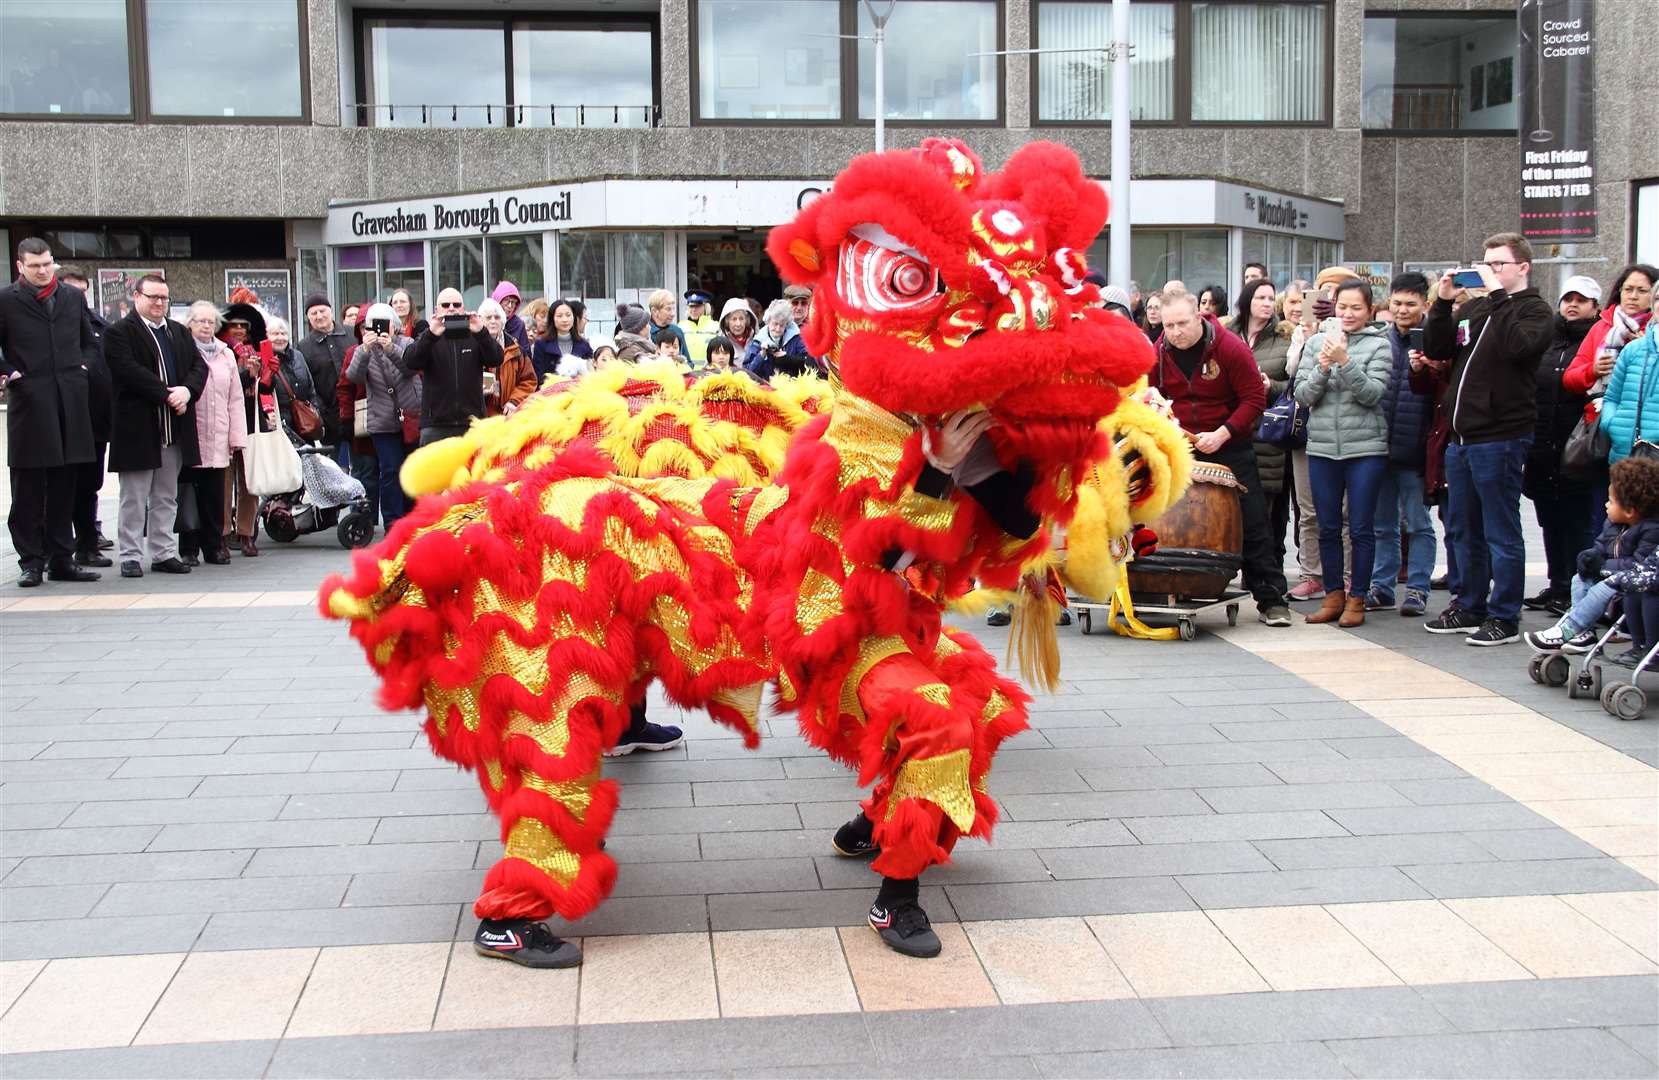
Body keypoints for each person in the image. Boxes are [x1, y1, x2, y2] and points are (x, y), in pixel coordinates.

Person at [1420, 233, 1555, 645]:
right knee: (1462, 527)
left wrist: (1499, 294)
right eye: (1486, 263)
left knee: (1501, 529)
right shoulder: (1476, 308)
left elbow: (1518, 348)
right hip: (1462, 437)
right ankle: (1470, 604)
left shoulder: (1534, 311)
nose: (1489, 270)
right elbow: (1438, 346)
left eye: (1498, 264)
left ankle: (1505, 615)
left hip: (1501, 435)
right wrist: (1443, 303)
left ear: (1523, 267)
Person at [1151, 288, 1290, 626]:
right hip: (1183, 444)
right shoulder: (1160, 351)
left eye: (1182, 323)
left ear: (1199, 317)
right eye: (1168, 326)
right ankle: (1178, 583)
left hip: (1231, 444)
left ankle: (1271, 599)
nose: (1175, 332)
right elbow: (1154, 394)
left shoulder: (1229, 347)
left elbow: (1255, 398)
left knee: (1253, 522)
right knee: (1180, 520)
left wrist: (1225, 432)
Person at [0, 239, 102, 587]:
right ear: (20, 267)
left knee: (65, 485)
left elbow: (89, 341)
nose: (43, 271)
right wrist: (11, 373)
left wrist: (84, 368)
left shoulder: (72, 297)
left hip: (70, 401)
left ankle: (62, 558)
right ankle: (31, 560)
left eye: (47, 264)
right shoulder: (6, 301)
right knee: (28, 487)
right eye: (35, 266)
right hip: (30, 403)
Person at [1293, 279, 1393, 627]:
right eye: (1342, 307)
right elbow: (1303, 395)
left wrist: (1345, 362)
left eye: (1356, 308)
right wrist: (1322, 367)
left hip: (1366, 448)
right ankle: (1333, 594)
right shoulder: (1316, 342)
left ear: (1369, 311)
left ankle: (1357, 598)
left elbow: (1372, 395)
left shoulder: (1380, 345)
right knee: (1327, 525)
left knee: (1361, 527)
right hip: (1321, 447)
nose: (1348, 314)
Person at [103, 274, 204, 578]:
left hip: (173, 427)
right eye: (153, 297)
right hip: (138, 427)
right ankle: (131, 555)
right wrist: (168, 394)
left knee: (166, 495)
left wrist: (187, 391)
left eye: (164, 298)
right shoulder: (119, 332)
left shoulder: (178, 332)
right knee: (134, 497)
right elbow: (128, 371)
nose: (159, 303)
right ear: (137, 297)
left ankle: (163, 552)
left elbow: (199, 366)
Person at [1523, 275, 1603, 615]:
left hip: (1579, 445)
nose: (1572, 305)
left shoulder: (1599, 341)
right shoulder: (1548, 340)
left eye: (1581, 300)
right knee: (1549, 517)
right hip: (1543, 441)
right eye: (1568, 298)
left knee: (1578, 520)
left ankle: (1576, 589)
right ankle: (1557, 584)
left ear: (1595, 307)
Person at [1524, 457, 1659, 652]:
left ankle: (1569, 628)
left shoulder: (1651, 530)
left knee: (1601, 588)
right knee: (1579, 579)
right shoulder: (1613, 524)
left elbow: (1640, 565)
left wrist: (1603, 567)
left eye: (1611, 501)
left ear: (1630, 510)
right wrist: (1590, 556)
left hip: (1632, 579)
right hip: (1614, 574)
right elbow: (1601, 547)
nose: (1605, 505)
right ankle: (1583, 632)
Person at [1562, 263, 1657, 530]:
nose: (1633, 296)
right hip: (1608, 437)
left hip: (1650, 444)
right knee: (1605, 516)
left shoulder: (1649, 337)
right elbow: (1571, 377)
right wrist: (1592, 370)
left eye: (1642, 290)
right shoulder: (1603, 328)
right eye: (1628, 289)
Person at [1366, 272, 1439, 617]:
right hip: (1380, 447)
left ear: (1425, 304)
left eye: (1410, 304)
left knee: (1418, 522)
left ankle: (1418, 589)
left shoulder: (1436, 340)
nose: (1402, 310)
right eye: (1396, 303)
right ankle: (1382, 586)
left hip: (1416, 449)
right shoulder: (1380, 339)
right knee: (1383, 524)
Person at [1286, 271, 1356, 602]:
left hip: (1350, 436)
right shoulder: (1306, 335)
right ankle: (1311, 573)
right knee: (1308, 508)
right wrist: (1307, 336)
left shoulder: (1361, 337)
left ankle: (1345, 576)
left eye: (1337, 297)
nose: (1330, 304)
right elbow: (1295, 379)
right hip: (1308, 431)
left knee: (1344, 512)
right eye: (1323, 295)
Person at [178, 302, 247, 566]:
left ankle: (214, 545)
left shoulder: (225, 354)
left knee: (215, 495)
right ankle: (188, 548)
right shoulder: (183, 351)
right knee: (188, 492)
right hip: (192, 434)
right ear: (190, 324)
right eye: (200, 321)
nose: (206, 326)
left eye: (210, 322)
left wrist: (237, 437)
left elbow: (235, 398)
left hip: (218, 434)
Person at [55, 264, 115, 568]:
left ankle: (88, 545)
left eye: (82, 292)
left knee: (90, 486)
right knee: (63, 487)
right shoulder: (53, 326)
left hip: (95, 422)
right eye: (71, 291)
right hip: (62, 423)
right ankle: (59, 550)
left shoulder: (99, 325)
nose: (77, 297)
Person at [1236, 279, 1294, 569]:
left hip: (1268, 434)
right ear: (1247, 300)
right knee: (1234, 510)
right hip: (1235, 430)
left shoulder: (1284, 339)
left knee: (1268, 513)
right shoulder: (1227, 334)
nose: (1267, 303)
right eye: (1261, 297)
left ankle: (1266, 575)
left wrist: (1270, 384)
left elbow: (1293, 387)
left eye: (1271, 298)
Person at [348, 302, 421, 529]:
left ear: (394, 325)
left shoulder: (407, 343)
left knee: (411, 469)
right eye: (372, 325)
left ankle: (413, 517)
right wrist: (365, 350)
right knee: (389, 470)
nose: (379, 329)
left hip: (410, 416)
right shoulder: (362, 349)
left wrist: (391, 349)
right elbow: (354, 377)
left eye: (383, 324)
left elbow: (411, 368)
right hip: (381, 419)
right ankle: (392, 522)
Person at [406, 288, 501, 445]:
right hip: (436, 425)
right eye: (445, 305)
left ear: (463, 308)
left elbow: (496, 358)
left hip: (472, 424)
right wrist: (431, 334)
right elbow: (411, 362)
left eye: (456, 304)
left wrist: (481, 331)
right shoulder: (428, 336)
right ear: (437, 310)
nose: (451, 308)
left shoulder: (475, 336)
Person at [336, 307, 380, 529]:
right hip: (362, 420)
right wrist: (346, 418)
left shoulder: (393, 348)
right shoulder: (353, 352)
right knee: (364, 471)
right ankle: (363, 520)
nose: (368, 332)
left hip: (390, 421)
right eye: (364, 327)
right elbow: (344, 387)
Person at [295, 293, 353, 462]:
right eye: (314, 313)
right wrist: (321, 411)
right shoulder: (304, 346)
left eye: (322, 311)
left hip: (356, 411)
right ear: (308, 318)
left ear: (331, 311)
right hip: (328, 416)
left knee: (363, 466)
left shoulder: (351, 334)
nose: (319, 316)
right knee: (332, 467)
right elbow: (307, 381)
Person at [478, 298, 538, 416]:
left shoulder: (516, 350)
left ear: (503, 321)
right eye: (488, 318)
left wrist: (514, 401)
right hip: (480, 417)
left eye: (497, 317)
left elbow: (529, 380)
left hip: (509, 416)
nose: (493, 321)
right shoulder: (471, 348)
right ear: (480, 321)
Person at [742, 299, 816, 380]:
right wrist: (761, 355)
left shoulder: (796, 338)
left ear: (787, 325)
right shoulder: (758, 340)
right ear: (768, 321)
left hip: (792, 387)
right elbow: (747, 372)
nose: (777, 329)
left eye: (782, 325)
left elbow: (811, 365)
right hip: (764, 388)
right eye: (775, 324)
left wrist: (788, 359)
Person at [531, 298, 593, 381]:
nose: (565, 320)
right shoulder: (541, 344)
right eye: (559, 316)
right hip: (550, 391)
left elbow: (590, 375)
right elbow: (538, 377)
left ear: (574, 317)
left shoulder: (584, 345)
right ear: (552, 318)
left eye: (568, 315)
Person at [490, 281, 533, 357]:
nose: (510, 306)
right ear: (498, 300)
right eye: (507, 300)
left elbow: (527, 356)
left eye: (513, 302)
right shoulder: (487, 320)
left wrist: (516, 347)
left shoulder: (518, 325)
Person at [677, 290, 719, 366]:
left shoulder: (716, 327)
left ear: (706, 307)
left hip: (709, 373)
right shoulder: (680, 327)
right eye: (691, 306)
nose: (693, 309)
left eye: (698, 306)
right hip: (686, 373)